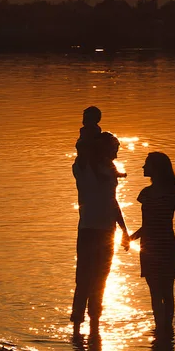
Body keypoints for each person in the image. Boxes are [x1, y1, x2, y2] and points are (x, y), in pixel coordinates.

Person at [71, 131, 130, 337]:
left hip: (107, 231)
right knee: (84, 277)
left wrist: (124, 230)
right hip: (88, 229)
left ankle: (95, 321)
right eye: (113, 147)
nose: (116, 152)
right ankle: (77, 323)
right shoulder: (83, 167)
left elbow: (113, 202)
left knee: (101, 278)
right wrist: (92, 130)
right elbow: (82, 144)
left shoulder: (109, 169)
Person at [130, 152, 175, 333]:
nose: (143, 168)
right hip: (148, 248)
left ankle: (167, 330)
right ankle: (160, 328)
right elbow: (147, 225)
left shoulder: (174, 193)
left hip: (167, 247)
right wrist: (131, 238)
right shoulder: (145, 194)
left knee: (167, 292)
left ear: (157, 168)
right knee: (155, 292)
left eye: (147, 164)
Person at [75, 106, 127, 181]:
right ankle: (99, 175)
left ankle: (107, 173)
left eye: (87, 118)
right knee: (93, 161)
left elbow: (93, 140)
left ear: (96, 119)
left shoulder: (94, 129)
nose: (84, 120)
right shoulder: (85, 130)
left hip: (90, 152)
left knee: (96, 161)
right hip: (86, 152)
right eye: (84, 117)